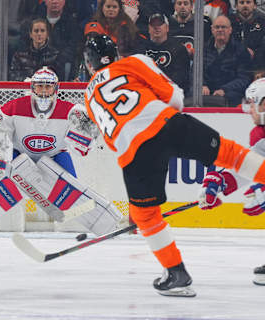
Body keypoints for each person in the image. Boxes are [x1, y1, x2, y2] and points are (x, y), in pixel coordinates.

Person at [82, 33, 265, 297]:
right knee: (228, 152)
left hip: (133, 153)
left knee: (145, 214)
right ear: (116, 54)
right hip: (166, 122)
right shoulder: (133, 62)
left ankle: (176, 272)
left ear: (89, 65)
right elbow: (175, 98)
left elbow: (112, 140)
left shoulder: (89, 96)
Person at [0, 67, 122, 238]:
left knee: (71, 194)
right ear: (32, 87)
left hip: (56, 156)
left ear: (56, 88)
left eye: (48, 86)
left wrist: (81, 142)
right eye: (40, 86)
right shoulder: (14, 107)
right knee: (4, 190)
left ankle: (100, 223)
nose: (44, 91)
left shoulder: (69, 110)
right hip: (20, 155)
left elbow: (89, 129)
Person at [198, 77, 265, 286]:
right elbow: (252, 163)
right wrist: (221, 182)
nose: (250, 110)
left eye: (254, 104)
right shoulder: (261, 134)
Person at [203, 15, 252, 107]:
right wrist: (202, 85)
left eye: (223, 27)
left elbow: (244, 79)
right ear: (212, 30)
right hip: (207, 92)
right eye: (217, 27)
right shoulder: (202, 49)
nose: (220, 30)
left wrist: (224, 90)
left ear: (230, 30)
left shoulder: (241, 50)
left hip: (230, 94)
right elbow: (194, 73)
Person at [145, 13, 191, 94]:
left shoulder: (179, 49)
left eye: (160, 24)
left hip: (171, 94)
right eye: (153, 24)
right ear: (149, 29)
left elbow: (180, 78)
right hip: (147, 93)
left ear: (167, 28)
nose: (156, 27)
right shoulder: (142, 48)